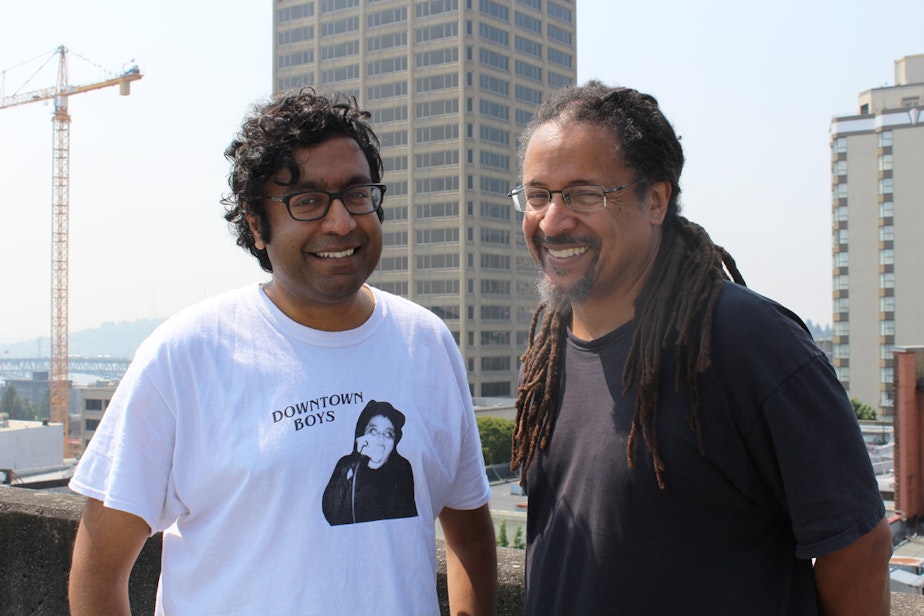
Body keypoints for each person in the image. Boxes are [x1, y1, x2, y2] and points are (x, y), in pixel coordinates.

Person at [68, 89, 496, 615]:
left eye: (357, 194)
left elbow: (470, 534)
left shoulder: (426, 342)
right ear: (255, 222)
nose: (341, 223)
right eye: (308, 201)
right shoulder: (185, 356)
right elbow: (98, 570)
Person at [509, 81, 892, 615]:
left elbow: (858, 547)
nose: (552, 219)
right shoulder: (550, 351)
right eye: (537, 195)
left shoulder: (752, 344)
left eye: (583, 194)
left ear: (656, 200)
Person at [323, 400, 418, 525]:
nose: (380, 440)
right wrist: (357, 463)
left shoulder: (402, 468)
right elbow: (332, 511)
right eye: (373, 431)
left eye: (388, 434)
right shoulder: (346, 465)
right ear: (362, 433)